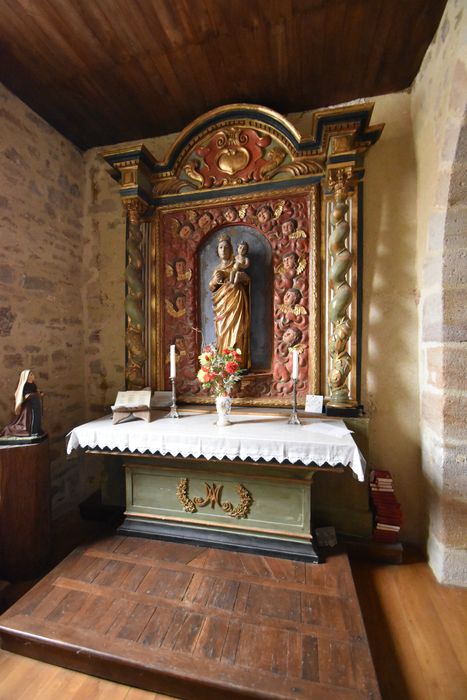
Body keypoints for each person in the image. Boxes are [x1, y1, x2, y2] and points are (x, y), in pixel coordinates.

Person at [209, 234, 251, 370]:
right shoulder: (217, 269)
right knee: (222, 332)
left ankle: (237, 364)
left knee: (238, 329)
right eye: (220, 247)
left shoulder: (236, 264)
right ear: (217, 251)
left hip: (236, 300)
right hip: (222, 305)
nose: (223, 250)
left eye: (226, 247)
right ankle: (224, 363)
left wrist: (239, 277)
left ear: (231, 249)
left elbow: (247, 280)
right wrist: (215, 280)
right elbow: (211, 286)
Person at [0, 369, 44, 437]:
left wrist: (40, 393)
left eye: (32, 374)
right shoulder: (25, 385)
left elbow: (36, 391)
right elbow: (25, 395)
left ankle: (36, 429)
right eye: (31, 374)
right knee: (29, 419)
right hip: (28, 405)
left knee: (37, 416)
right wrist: (32, 395)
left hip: (34, 403)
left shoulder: (33, 384)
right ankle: (32, 431)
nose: (33, 376)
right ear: (26, 376)